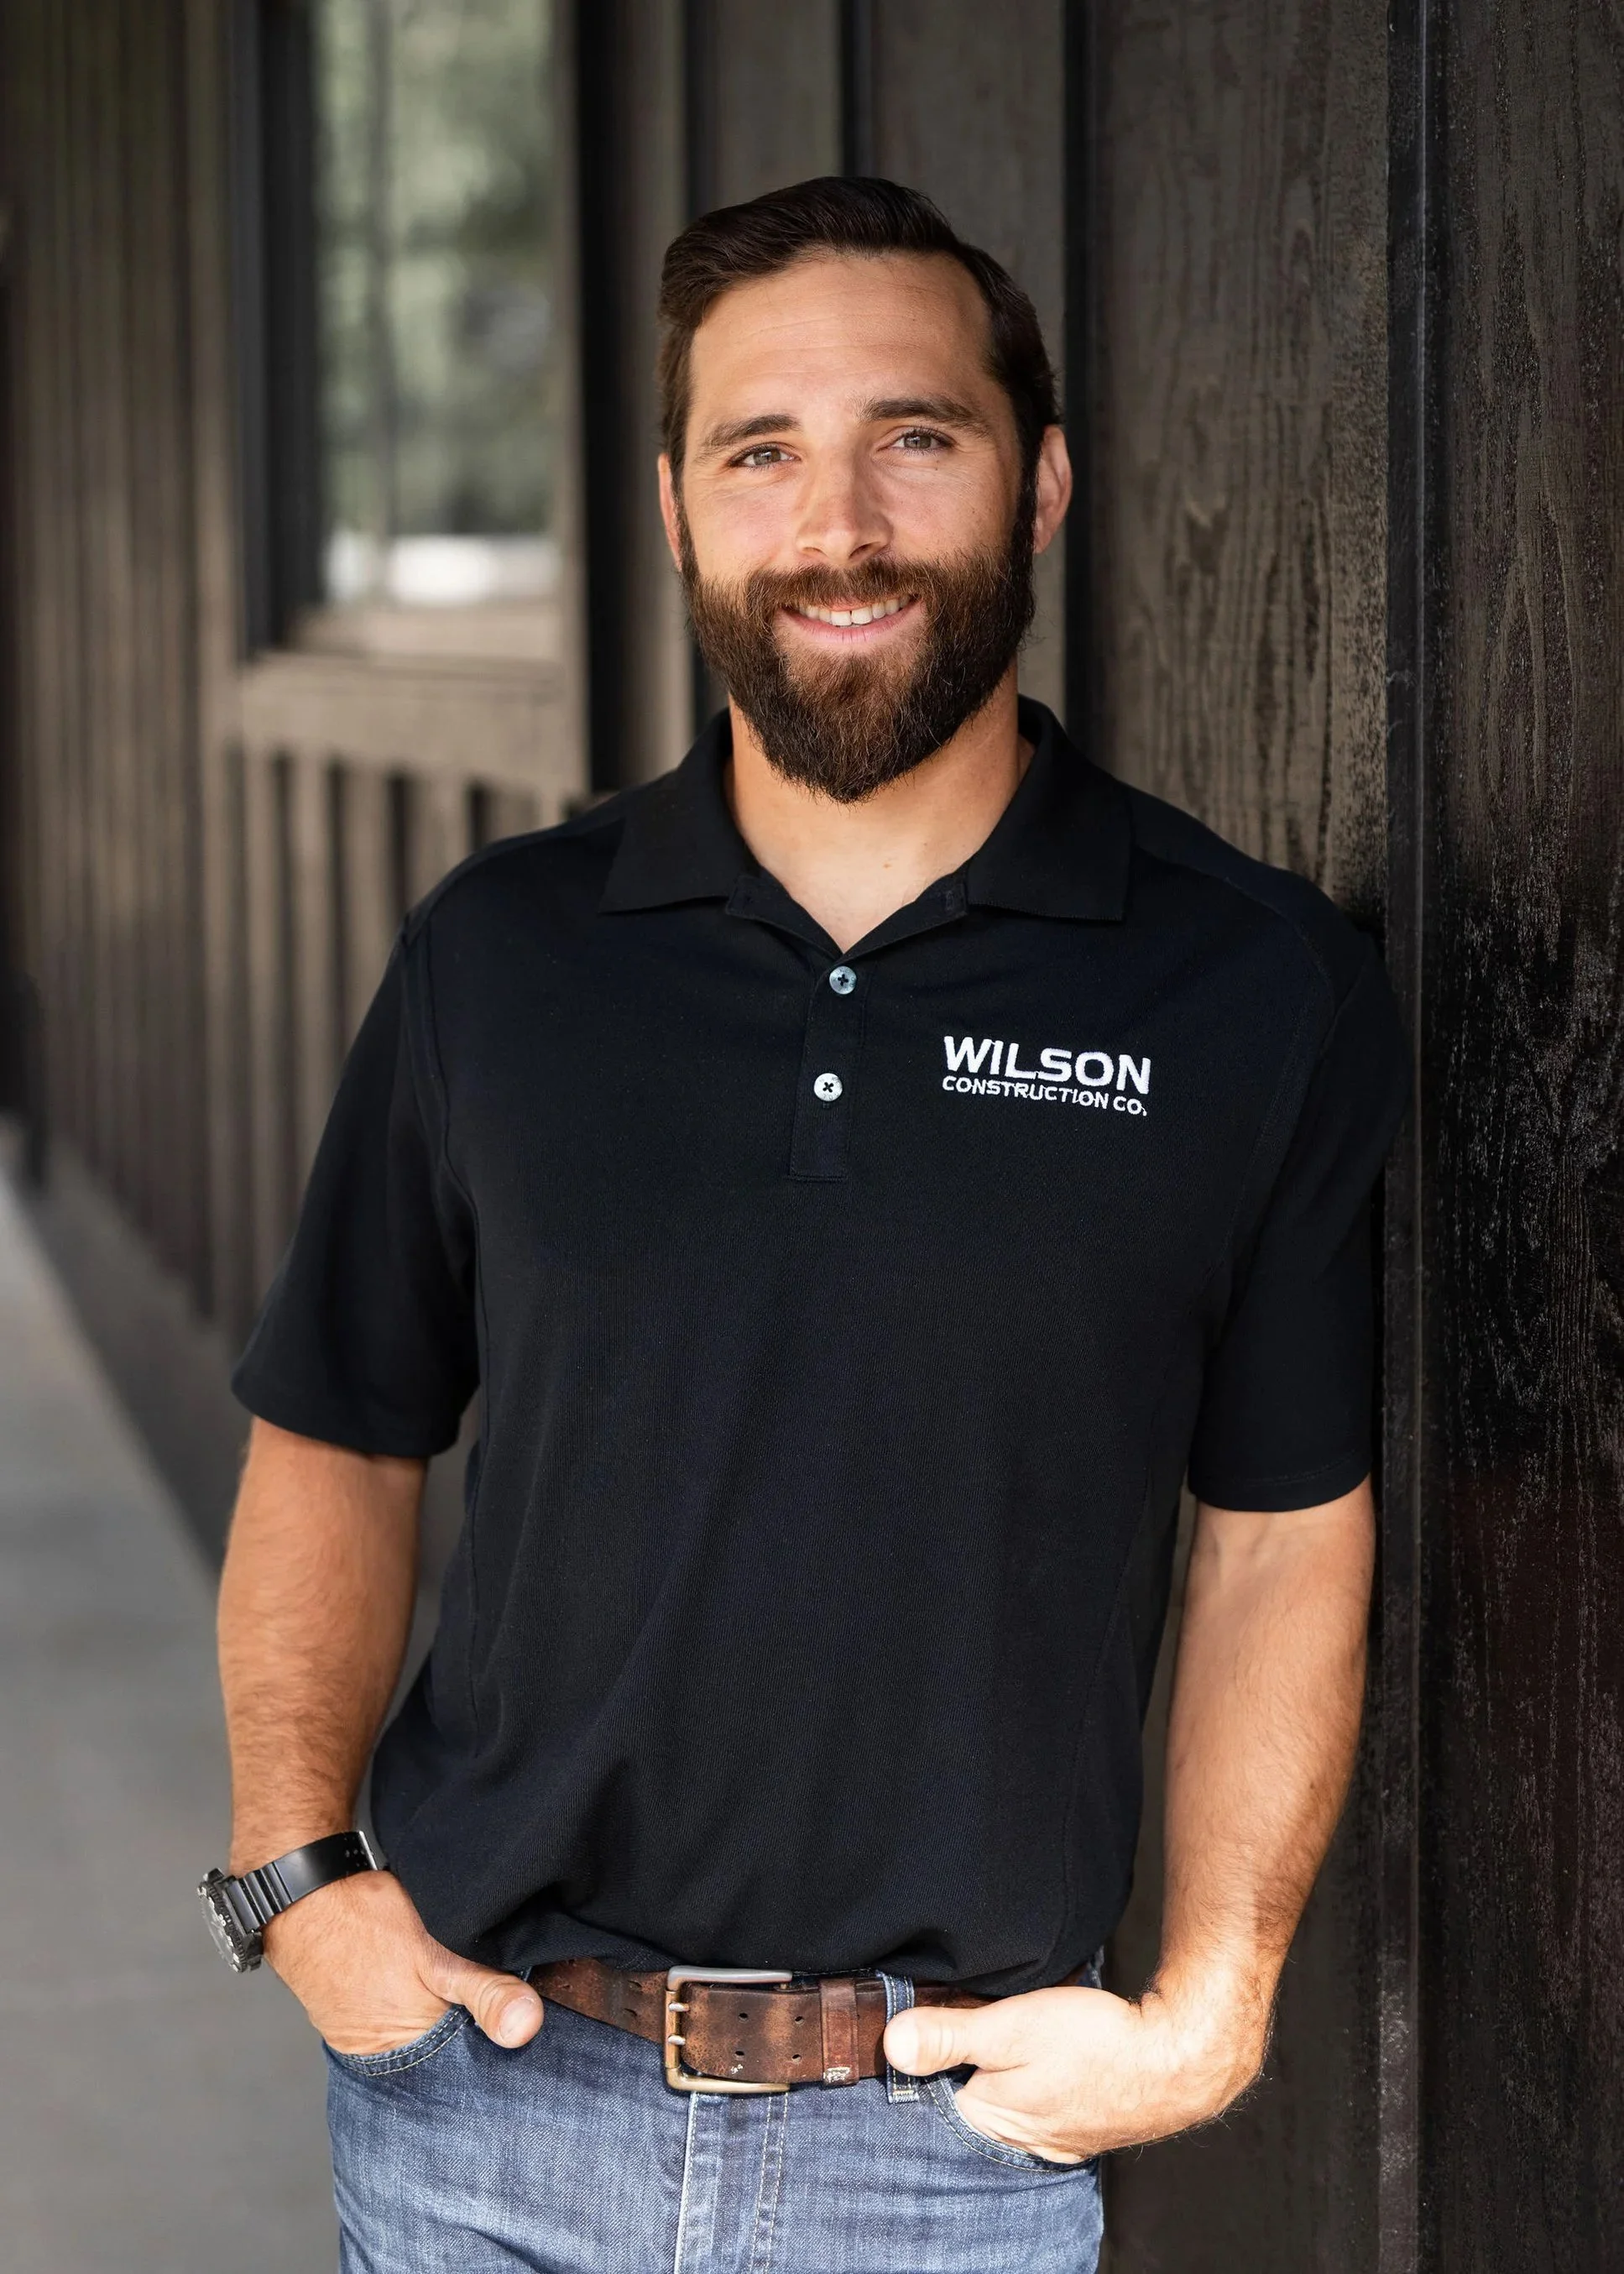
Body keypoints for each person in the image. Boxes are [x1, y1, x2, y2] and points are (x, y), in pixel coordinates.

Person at [208, 176, 1409, 2274]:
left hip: (941, 2147)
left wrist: (1215, 2002)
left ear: (1036, 488)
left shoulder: (1249, 986)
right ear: (676, 509)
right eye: (761, 453)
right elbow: (339, 1425)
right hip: (481, 2097)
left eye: (910, 439)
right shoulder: (505, 955)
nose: (835, 523)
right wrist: (293, 1877)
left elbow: (1280, 1530)